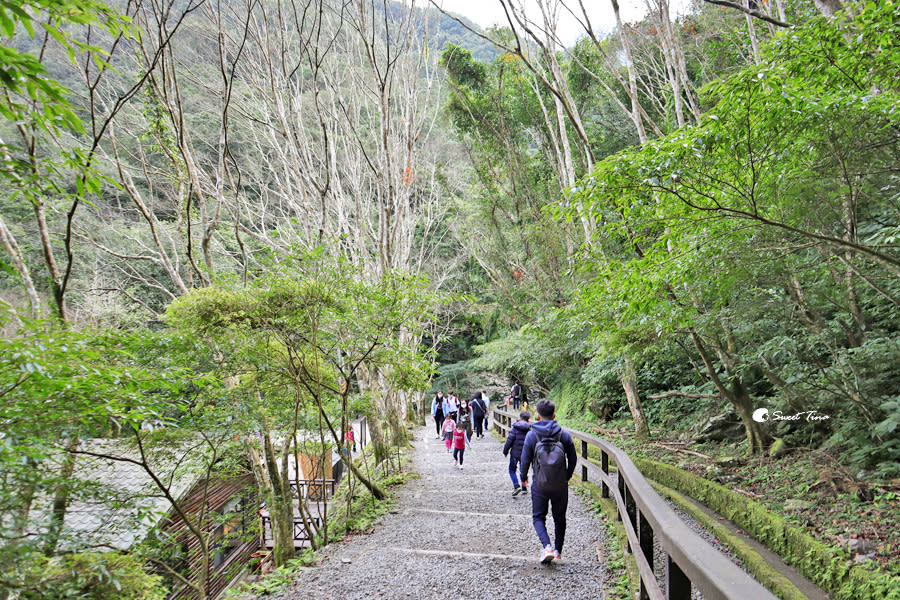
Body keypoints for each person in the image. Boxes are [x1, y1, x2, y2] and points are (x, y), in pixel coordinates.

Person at [519, 399, 577, 564]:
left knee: (538, 517)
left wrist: (523, 477)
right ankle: (558, 550)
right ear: (554, 415)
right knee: (560, 518)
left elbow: (525, 460)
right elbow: (573, 458)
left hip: (540, 483)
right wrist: (567, 475)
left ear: (537, 415)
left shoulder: (532, 435)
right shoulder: (563, 434)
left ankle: (547, 547)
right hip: (560, 483)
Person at [503, 411, 531, 496]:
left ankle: (516, 485)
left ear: (520, 419)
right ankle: (524, 488)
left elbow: (509, 441)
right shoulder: (530, 429)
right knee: (523, 470)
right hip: (526, 454)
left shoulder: (515, 428)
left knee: (512, 470)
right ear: (528, 420)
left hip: (515, 453)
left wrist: (505, 451)